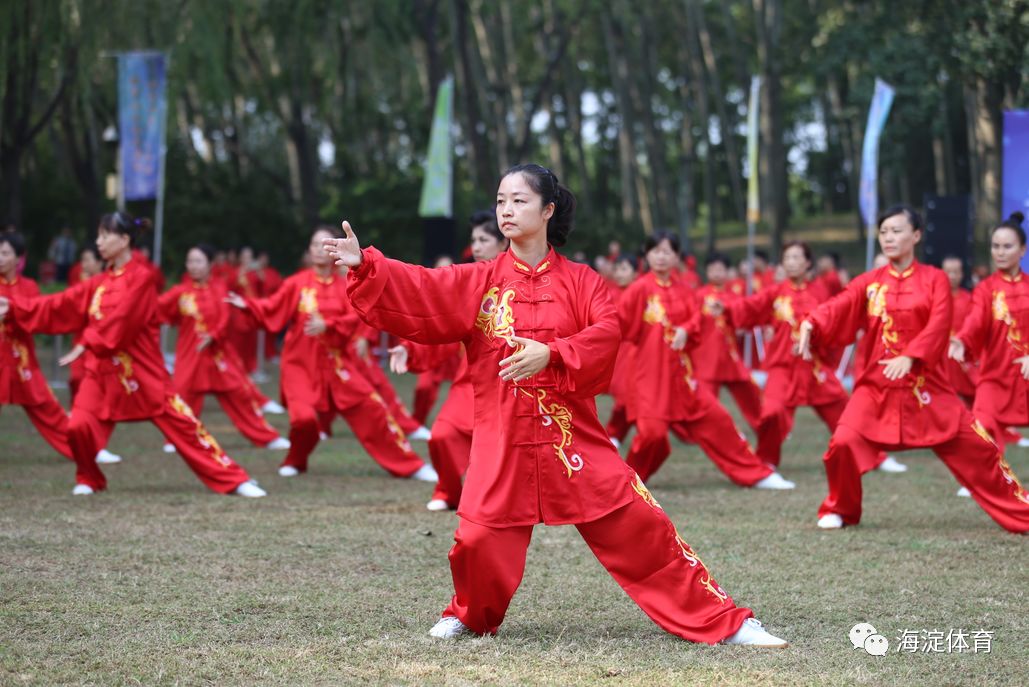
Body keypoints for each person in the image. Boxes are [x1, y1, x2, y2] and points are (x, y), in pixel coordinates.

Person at [329, 164, 789, 647]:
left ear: (548, 210)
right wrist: (366, 264)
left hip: (573, 439)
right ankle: (470, 615)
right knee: (478, 540)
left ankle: (723, 620)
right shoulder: (478, 279)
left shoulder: (583, 281)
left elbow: (606, 331)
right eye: (502, 200)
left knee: (640, 524)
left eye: (519, 200)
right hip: (503, 437)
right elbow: (423, 289)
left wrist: (554, 353)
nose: (507, 210)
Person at [797, 204, 1029, 532]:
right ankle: (840, 508)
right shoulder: (869, 282)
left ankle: (1022, 511)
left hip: (928, 387)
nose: (889, 238)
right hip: (877, 388)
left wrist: (912, 356)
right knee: (843, 444)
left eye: (896, 231)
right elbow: (839, 305)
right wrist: (811, 323)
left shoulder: (934, 279)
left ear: (916, 236)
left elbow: (939, 324)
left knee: (981, 449)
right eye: (884, 232)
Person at [0, 213, 263, 497]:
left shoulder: (142, 278)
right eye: (98, 235)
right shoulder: (99, 282)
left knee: (186, 429)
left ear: (125, 240)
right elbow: (60, 304)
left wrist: (88, 340)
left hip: (142, 372)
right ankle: (89, 478)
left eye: (104, 236)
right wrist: (15, 307)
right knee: (77, 427)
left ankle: (234, 479)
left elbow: (123, 321)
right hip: (101, 373)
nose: (98, 242)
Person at [227, 226, 435, 481]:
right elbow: (271, 307)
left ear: (334, 249)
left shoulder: (346, 285)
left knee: (373, 409)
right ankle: (296, 459)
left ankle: (410, 465)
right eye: (313, 244)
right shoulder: (296, 284)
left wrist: (329, 325)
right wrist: (247, 305)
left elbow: (357, 319)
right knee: (304, 421)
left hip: (337, 364)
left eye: (323, 244)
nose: (317, 249)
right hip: (300, 364)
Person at [619, 232, 794, 489]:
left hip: (684, 377)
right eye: (655, 251)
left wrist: (686, 331)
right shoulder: (638, 290)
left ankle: (757, 473)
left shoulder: (686, 291)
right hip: (651, 378)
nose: (661, 257)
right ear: (647, 255)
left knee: (718, 421)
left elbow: (697, 322)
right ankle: (628, 482)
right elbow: (620, 327)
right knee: (653, 437)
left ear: (677, 257)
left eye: (667, 251)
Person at [717, 241, 906, 472]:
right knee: (772, 413)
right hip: (783, 367)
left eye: (797, 258)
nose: (792, 263)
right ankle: (766, 461)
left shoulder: (820, 291)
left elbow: (837, 316)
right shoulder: (775, 293)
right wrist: (726, 309)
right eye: (787, 258)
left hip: (814, 367)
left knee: (845, 412)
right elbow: (749, 307)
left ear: (807, 263)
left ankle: (875, 457)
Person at [388, 210, 510, 511]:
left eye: (484, 240)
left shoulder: (523, 282)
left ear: (504, 242)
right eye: (474, 240)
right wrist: (411, 350)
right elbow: (444, 330)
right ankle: (448, 491)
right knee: (441, 436)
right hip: (470, 382)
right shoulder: (469, 283)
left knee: (502, 452)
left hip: (512, 385)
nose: (477, 246)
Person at [157, 244, 290, 451]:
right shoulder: (180, 292)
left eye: (199, 261)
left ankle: (266, 437)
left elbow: (225, 317)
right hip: (191, 357)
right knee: (183, 400)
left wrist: (214, 335)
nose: (193, 266)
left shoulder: (219, 287)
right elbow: (157, 310)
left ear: (210, 264)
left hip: (218, 356)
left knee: (240, 397)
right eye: (190, 261)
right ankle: (177, 439)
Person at [950, 212, 1029, 459]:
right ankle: (985, 486)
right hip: (996, 376)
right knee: (981, 427)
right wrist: (962, 339)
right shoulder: (986, 289)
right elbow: (975, 320)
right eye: (996, 246)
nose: (1000, 252)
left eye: (1007, 246)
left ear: (1022, 250)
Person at [693, 253, 764, 434]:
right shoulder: (699, 296)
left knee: (749, 392)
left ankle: (762, 425)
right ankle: (708, 430)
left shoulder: (734, 297)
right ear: (706, 272)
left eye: (720, 269)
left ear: (727, 272)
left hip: (730, 355)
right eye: (712, 269)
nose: (716, 273)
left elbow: (745, 319)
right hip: (706, 356)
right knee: (706, 399)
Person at [940, 255, 978, 406]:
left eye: (956, 272)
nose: (952, 276)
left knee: (971, 395)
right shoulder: (935, 298)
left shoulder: (969, 299)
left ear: (962, 274)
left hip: (962, 353)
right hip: (942, 355)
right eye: (948, 272)